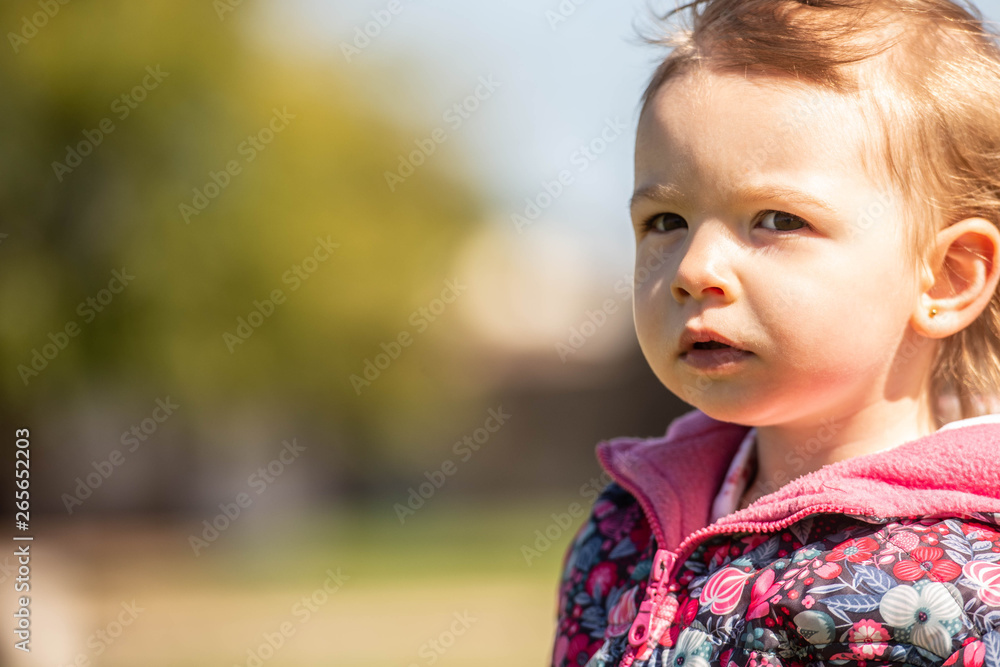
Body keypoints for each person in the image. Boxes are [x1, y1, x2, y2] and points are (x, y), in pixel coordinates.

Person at [549, 1, 1000, 665]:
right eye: (666, 220)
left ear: (946, 278)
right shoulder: (624, 530)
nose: (694, 269)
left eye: (777, 220)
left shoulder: (946, 587)